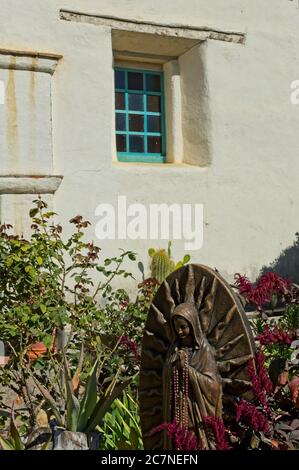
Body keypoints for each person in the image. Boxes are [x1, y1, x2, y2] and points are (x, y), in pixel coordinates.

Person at [162, 302, 223, 449]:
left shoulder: (203, 350)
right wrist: (173, 366)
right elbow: (165, 375)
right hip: (177, 407)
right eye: (177, 328)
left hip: (195, 411)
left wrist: (188, 370)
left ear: (193, 325)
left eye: (184, 327)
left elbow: (214, 386)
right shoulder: (174, 349)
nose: (180, 332)